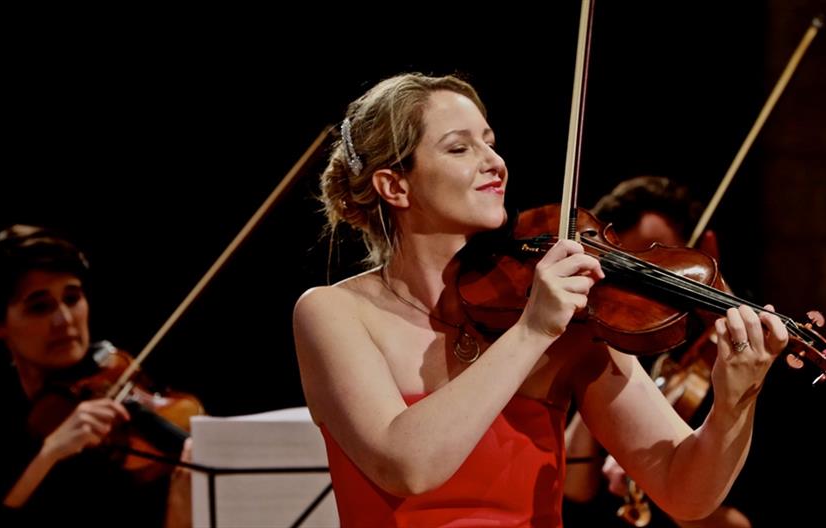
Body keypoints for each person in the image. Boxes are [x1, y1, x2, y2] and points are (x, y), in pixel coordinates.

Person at [292, 72, 788, 527]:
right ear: (394, 185)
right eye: (459, 148)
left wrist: (732, 402)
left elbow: (685, 491)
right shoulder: (335, 313)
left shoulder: (566, 317)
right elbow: (407, 467)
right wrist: (531, 332)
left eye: (490, 142)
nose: (495, 163)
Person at [563, 176, 751, 528]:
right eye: (624, 271)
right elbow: (574, 485)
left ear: (707, 249)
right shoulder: (623, 340)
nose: (642, 291)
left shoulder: (755, 358)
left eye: (657, 268)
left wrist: (663, 481)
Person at [0, 224, 191, 527]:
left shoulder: (114, 380)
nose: (64, 320)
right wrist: (49, 454)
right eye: (39, 307)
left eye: (72, 298)